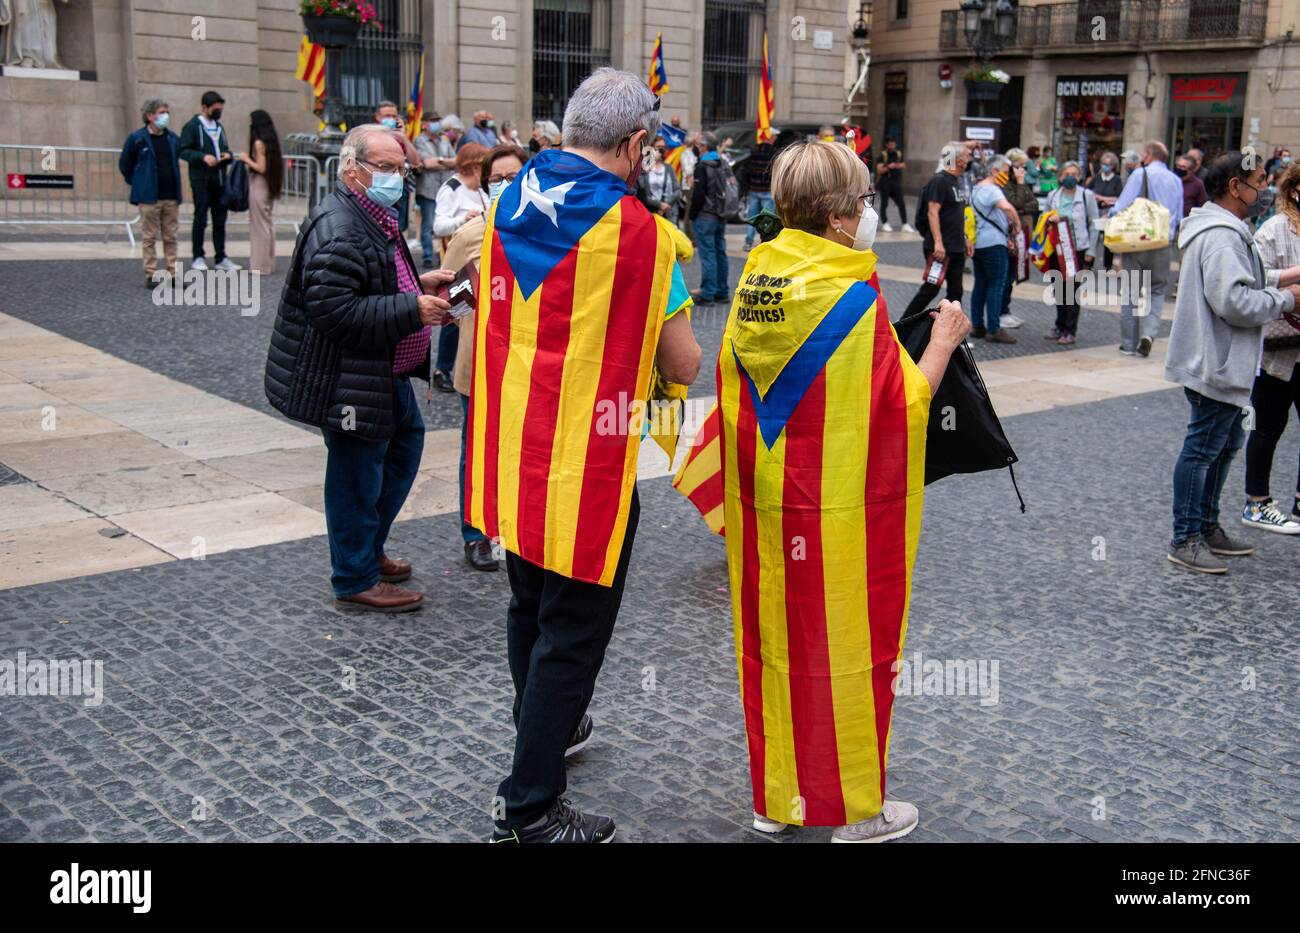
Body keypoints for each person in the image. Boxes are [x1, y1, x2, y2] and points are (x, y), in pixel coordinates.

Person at [468, 68, 700, 843]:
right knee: (572, 634)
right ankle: (529, 803)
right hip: (587, 467)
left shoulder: (506, 202)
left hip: (512, 451)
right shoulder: (642, 236)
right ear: (634, 145)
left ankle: (547, 725)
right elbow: (685, 363)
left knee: (527, 609)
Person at [718, 138, 969, 842]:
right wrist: (943, 339)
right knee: (851, 652)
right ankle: (858, 809)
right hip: (838, 516)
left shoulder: (755, 282)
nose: (866, 213)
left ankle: (776, 798)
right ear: (834, 217)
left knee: (772, 647)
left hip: (768, 509)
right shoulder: (854, 301)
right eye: (861, 202)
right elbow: (904, 406)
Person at [263, 124, 454, 609]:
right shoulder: (342, 227)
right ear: (353, 170)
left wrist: (419, 282)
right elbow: (334, 311)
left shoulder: (371, 214)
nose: (397, 178)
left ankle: (366, 551)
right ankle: (354, 577)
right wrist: (413, 309)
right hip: (350, 378)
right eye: (385, 168)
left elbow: (376, 279)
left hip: (381, 370)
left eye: (402, 169)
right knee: (355, 476)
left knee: (400, 454)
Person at [1164, 152, 1300, 573]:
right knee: (1203, 450)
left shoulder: (1228, 231)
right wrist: (1289, 299)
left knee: (1224, 447)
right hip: (1215, 360)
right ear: (1235, 187)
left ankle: (1206, 526)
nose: (1264, 188)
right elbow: (1234, 300)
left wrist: (1288, 276)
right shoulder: (1222, 235)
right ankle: (1185, 537)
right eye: (1259, 180)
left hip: (1222, 360)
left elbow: (1250, 275)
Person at [440, 142, 530, 569]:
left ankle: (517, 525)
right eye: (498, 179)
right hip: (478, 366)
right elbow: (447, 299)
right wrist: (476, 311)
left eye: (515, 177)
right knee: (476, 451)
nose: (506, 185)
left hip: (530, 368)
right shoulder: (470, 235)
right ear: (485, 185)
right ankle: (476, 534)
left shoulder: (546, 234)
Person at [1242, 162, 1300, 533]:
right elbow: (1255, 280)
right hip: (1280, 347)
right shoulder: (1276, 229)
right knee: (1267, 426)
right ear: (1294, 190)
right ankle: (1257, 502)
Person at [1114, 140, 1185, 357]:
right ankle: (1149, 334)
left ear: (1147, 155)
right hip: (1163, 241)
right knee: (1157, 290)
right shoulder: (1175, 180)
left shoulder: (1139, 175)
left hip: (1138, 240)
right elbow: (1179, 215)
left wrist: (1110, 218)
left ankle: (1128, 344)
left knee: (1131, 293)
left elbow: (1122, 205)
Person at [430, 143, 489, 393]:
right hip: (459, 258)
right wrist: (461, 220)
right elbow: (438, 225)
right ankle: (442, 368)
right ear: (473, 165)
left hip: (480, 258)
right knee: (456, 310)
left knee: (472, 318)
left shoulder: (482, 189)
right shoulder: (452, 188)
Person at [901, 141, 972, 319]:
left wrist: (964, 237)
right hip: (941, 248)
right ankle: (903, 326)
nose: (969, 159)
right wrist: (938, 243)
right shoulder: (939, 181)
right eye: (966, 155)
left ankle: (949, 329)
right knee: (930, 289)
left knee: (956, 293)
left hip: (956, 247)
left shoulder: (957, 182)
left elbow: (954, 216)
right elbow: (933, 212)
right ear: (957, 160)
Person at [119, 98, 181, 288]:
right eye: (161, 112)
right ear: (150, 116)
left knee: (171, 236)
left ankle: (172, 273)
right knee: (149, 237)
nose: (165, 116)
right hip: (149, 196)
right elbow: (125, 164)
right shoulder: (137, 138)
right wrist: (138, 183)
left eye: (166, 112)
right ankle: (151, 274)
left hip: (170, 195)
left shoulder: (171, 138)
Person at [177, 90, 238, 272]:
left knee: (220, 220)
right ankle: (198, 256)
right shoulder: (192, 127)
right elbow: (184, 150)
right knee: (200, 218)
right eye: (216, 109)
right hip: (201, 180)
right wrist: (202, 157)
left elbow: (225, 148)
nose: (218, 112)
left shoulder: (219, 127)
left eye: (220, 109)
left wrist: (228, 155)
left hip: (219, 179)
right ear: (205, 108)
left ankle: (221, 256)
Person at [1044, 161, 1099, 346]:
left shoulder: (1086, 196)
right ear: (1060, 177)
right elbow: (1043, 219)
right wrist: (1049, 219)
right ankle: (1059, 324)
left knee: (1072, 290)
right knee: (1058, 288)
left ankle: (1070, 329)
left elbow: (1094, 223)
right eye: (1067, 173)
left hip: (1077, 249)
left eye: (1074, 174)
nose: (1071, 177)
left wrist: (1091, 250)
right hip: (1056, 249)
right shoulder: (1053, 196)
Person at [969, 154, 1021, 343]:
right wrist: (1017, 224)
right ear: (994, 171)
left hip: (979, 243)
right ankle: (994, 328)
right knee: (996, 285)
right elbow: (1007, 208)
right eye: (1005, 172)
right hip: (995, 243)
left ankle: (977, 325)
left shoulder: (975, 190)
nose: (1007, 176)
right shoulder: (992, 190)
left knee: (980, 284)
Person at [234, 109, 282, 275]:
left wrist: (246, 159)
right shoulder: (271, 141)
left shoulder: (258, 143)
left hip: (259, 183)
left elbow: (261, 167)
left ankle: (260, 265)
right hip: (268, 183)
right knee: (268, 223)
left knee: (260, 225)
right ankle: (267, 263)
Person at [689, 131, 732, 304]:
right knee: (720, 252)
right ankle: (722, 291)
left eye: (698, 144)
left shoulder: (702, 166)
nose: (695, 147)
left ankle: (707, 293)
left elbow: (698, 196)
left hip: (705, 215)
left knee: (708, 254)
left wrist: (692, 215)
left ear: (704, 146)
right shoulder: (721, 162)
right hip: (720, 214)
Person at [997, 148, 1038, 329]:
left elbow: (1034, 204)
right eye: (1020, 166)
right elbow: (1016, 203)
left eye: (1025, 166)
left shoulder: (1021, 184)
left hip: (1021, 234)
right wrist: (1021, 186)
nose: (1023, 170)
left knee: (1012, 275)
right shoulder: (1006, 184)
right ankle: (999, 312)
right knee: (1004, 276)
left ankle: (1005, 310)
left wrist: (1020, 206)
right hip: (1009, 235)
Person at [413, 113, 457, 268]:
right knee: (428, 224)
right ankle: (427, 256)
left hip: (445, 188)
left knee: (444, 222)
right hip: (428, 188)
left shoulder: (444, 141)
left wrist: (439, 161)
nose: (437, 123)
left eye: (438, 120)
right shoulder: (419, 141)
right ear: (424, 124)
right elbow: (426, 163)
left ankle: (442, 254)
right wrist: (445, 162)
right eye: (433, 121)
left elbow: (456, 161)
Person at [373, 101, 419, 234]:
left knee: (398, 228)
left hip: (399, 187)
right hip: (378, 187)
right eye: (387, 116)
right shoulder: (371, 135)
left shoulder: (399, 136)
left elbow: (415, 161)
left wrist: (403, 136)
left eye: (394, 116)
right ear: (378, 117)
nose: (391, 119)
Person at [1087, 151, 1124, 271]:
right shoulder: (1097, 177)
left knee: (1108, 240)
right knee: (1093, 237)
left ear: (1113, 166)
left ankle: (1107, 266)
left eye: (1107, 164)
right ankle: (1088, 263)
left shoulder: (1117, 180)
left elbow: (1120, 197)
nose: (1104, 166)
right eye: (1103, 163)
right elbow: (1088, 191)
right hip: (1095, 210)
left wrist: (1104, 199)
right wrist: (1096, 197)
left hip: (1109, 212)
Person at [637, 136, 681, 224]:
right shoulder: (644, 169)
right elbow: (641, 190)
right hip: (650, 212)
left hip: (668, 213)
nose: (661, 150)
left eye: (663, 147)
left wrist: (665, 204)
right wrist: (659, 205)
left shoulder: (669, 168)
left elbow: (677, 190)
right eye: (658, 147)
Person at [740, 138, 775, 249]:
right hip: (767, 190)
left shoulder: (754, 151)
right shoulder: (773, 152)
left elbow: (746, 170)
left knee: (753, 217)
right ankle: (765, 242)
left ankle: (748, 242)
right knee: (767, 218)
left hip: (754, 189)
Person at [875, 136, 914, 233]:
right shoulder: (882, 155)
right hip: (885, 181)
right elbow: (879, 170)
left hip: (896, 182)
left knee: (901, 203)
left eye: (893, 143)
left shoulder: (898, 153)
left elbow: (903, 164)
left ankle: (905, 224)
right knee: (884, 203)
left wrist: (897, 165)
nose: (892, 145)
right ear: (886, 144)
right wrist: (889, 167)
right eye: (890, 143)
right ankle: (885, 223)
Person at [1175, 153, 1208, 218]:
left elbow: (1202, 206)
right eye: (1178, 166)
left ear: (1191, 170)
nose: (1180, 169)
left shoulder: (1197, 184)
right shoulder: (1172, 180)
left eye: (1183, 167)